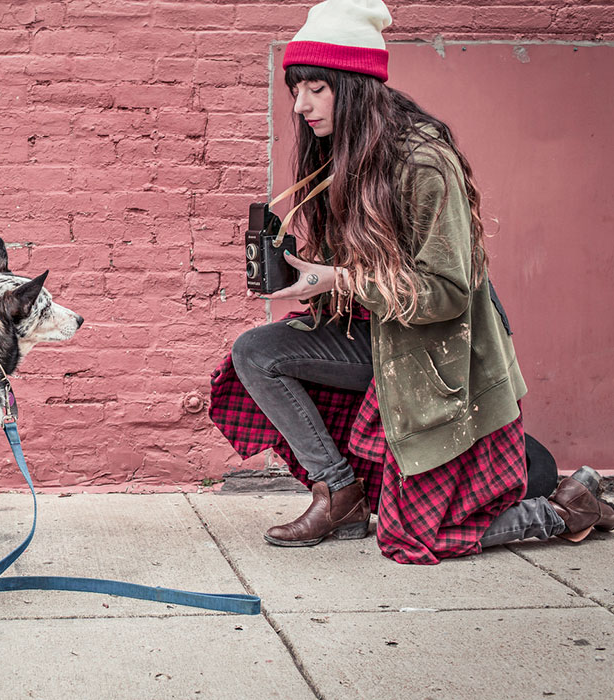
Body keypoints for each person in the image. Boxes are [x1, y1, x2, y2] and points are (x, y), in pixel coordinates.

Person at [209, 0, 613, 564]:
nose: (299, 105)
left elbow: (447, 293)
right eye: (294, 89)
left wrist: (338, 278)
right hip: (376, 339)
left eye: (315, 88)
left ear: (353, 86)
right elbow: (352, 273)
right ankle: (339, 492)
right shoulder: (339, 155)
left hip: (436, 357)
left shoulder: (424, 162)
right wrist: (304, 273)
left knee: (409, 537)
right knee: (256, 352)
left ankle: (565, 511)